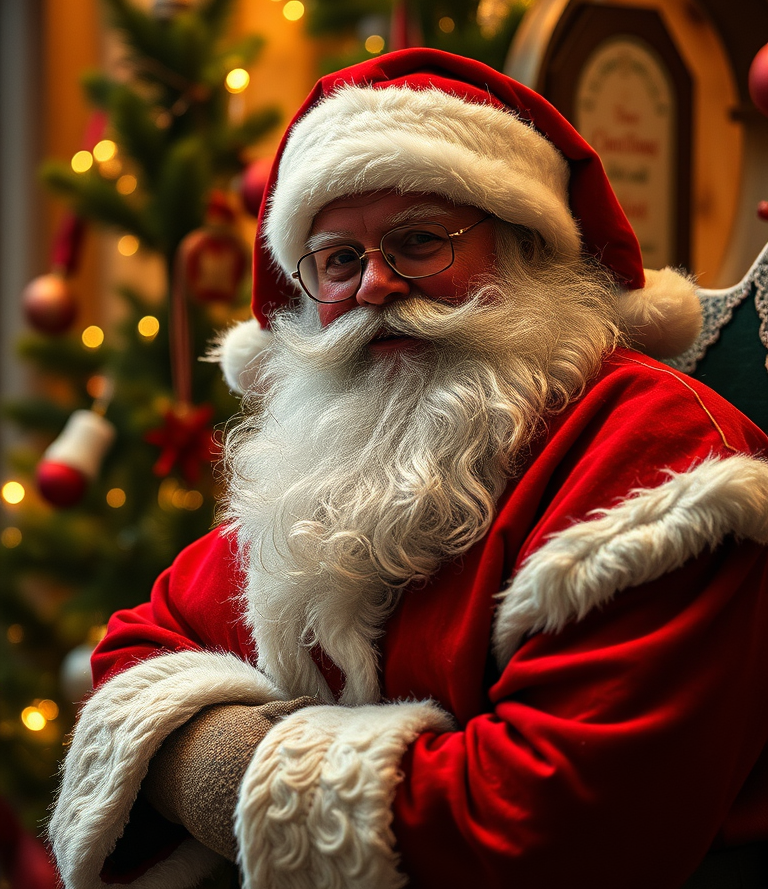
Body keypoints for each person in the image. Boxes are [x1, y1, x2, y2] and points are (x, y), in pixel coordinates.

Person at [50, 49, 768, 889]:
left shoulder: (665, 460)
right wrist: (233, 758)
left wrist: (218, 763)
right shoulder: (336, 452)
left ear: (527, 250)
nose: (375, 285)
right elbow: (138, 647)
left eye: (419, 242)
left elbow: (550, 829)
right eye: (337, 260)